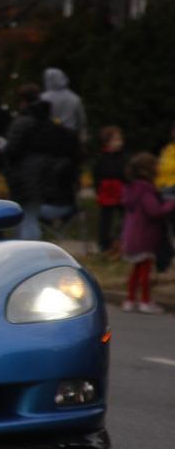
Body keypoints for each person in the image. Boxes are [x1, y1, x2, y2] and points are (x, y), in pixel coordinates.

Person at [3, 84, 80, 240]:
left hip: (24, 176)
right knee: (30, 215)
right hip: (43, 175)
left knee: (26, 218)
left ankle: (26, 250)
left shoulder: (22, 122)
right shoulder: (49, 123)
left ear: (23, 101)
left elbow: (12, 149)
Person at [120, 152, 175, 314]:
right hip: (145, 236)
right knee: (145, 270)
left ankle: (130, 300)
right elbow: (155, 211)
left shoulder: (131, 189)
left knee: (136, 270)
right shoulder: (146, 190)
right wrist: (171, 204)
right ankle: (145, 300)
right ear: (147, 170)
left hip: (132, 235)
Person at [93, 126, 127, 254]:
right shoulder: (102, 157)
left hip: (120, 190)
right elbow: (97, 175)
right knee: (105, 219)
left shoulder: (123, 157)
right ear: (107, 141)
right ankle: (104, 244)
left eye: (120, 139)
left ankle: (121, 241)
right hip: (107, 191)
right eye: (116, 139)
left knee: (124, 217)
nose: (119, 142)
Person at [40, 67, 87, 143]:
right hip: (70, 136)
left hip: (49, 137)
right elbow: (81, 120)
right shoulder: (74, 98)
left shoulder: (43, 98)